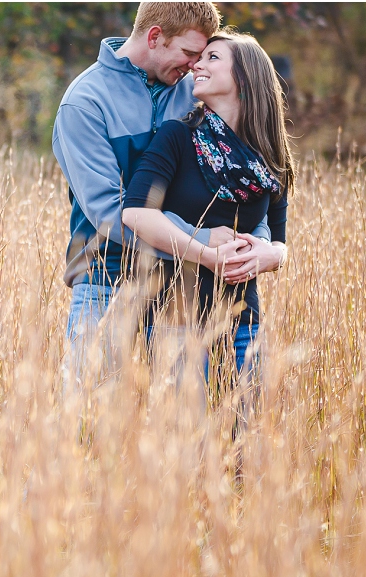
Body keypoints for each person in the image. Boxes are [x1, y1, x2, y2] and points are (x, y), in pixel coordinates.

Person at [52, 2, 265, 383]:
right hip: (106, 276)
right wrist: (202, 238)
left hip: (180, 280)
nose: (193, 65)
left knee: (181, 415)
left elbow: (240, 178)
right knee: (86, 415)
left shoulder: (194, 91)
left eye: (200, 57)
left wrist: (262, 243)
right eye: (187, 53)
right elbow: (109, 211)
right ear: (154, 38)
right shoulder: (84, 103)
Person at [121, 31, 294, 381]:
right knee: (188, 434)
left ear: (245, 77)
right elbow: (136, 212)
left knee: (245, 431)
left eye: (212, 58)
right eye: (199, 58)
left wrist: (273, 257)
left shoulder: (270, 156)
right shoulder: (177, 137)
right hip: (176, 318)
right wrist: (206, 254)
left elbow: (278, 239)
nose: (197, 64)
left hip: (243, 320)